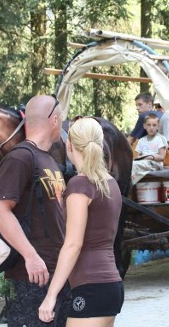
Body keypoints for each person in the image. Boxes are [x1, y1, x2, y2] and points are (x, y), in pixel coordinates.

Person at [0, 95, 70, 327]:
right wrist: (30, 256)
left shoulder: (48, 159)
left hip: (56, 274)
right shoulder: (20, 157)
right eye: (62, 117)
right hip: (31, 277)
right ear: (54, 119)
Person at [38, 117, 124, 326]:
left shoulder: (80, 185)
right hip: (110, 284)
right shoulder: (110, 183)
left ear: (69, 144)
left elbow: (73, 245)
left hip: (91, 287)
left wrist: (51, 295)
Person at [131, 114, 168, 184]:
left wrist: (148, 157)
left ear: (158, 126)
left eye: (154, 125)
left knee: (133, 165)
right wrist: (138, 158)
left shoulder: (160, 138)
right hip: (143, 163)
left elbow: (161, 157)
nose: (151, 128)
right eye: (148, 125)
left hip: (155, 163)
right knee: (130, 164)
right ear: (144, 126)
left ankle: (129, 186)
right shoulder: (142, 140)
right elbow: (137, 156)